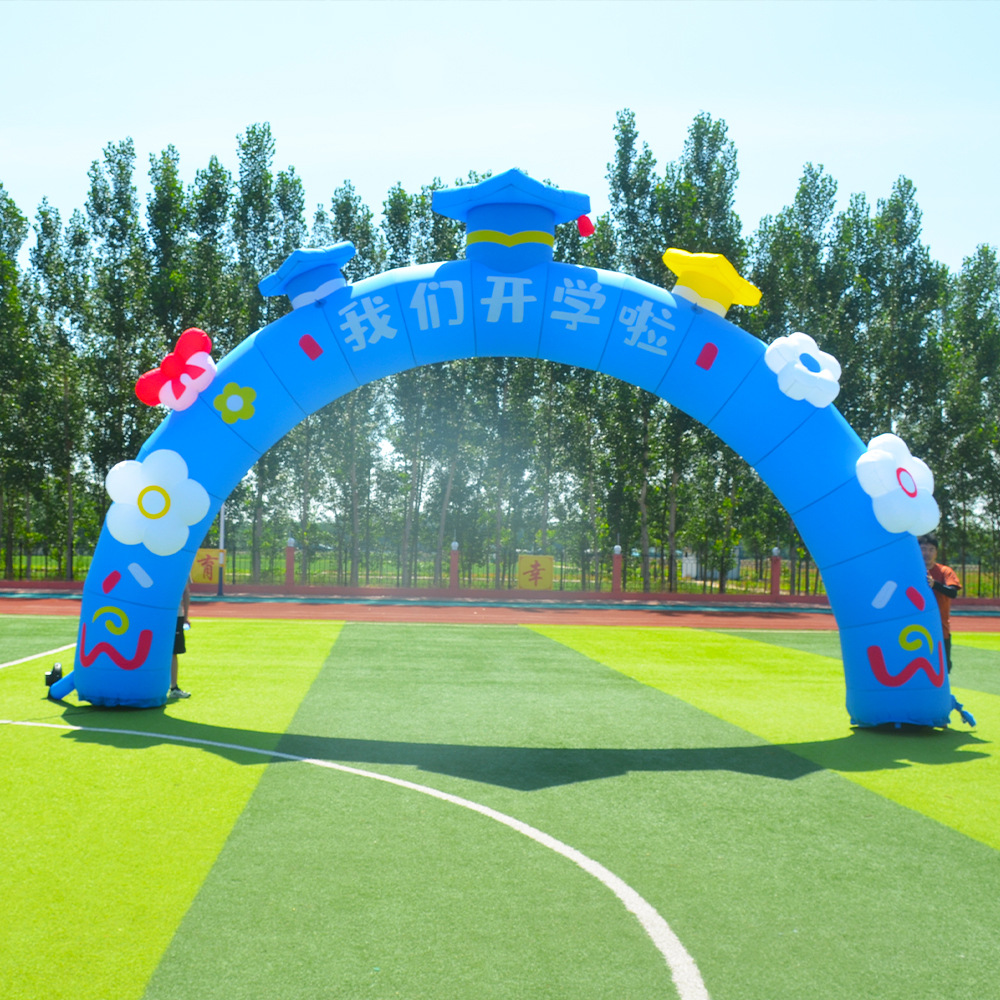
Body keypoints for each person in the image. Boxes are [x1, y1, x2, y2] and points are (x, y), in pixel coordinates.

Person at [919, 534, 960, 673]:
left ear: (936, 552)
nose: (927, 553)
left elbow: (953, 592)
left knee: (943, 667)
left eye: (931, 549)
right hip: (915, 629)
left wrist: (934, 584)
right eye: (923, 549)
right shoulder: (910, 572)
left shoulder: (944, 571)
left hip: (940, 629)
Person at [169, 581, 192, 698]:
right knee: (173, 652)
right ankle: (173, 687)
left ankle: (173, 687)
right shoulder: (183, 564)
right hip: (174, 615)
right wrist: (186, 617)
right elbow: (186, 592)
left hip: (157, 614)